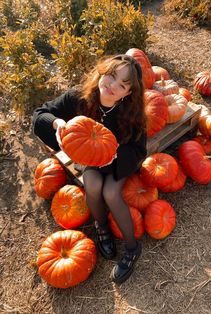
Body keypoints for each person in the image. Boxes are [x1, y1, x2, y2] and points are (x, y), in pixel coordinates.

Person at [32, 54, 147, 284]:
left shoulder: (132, 113)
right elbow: (39, 114)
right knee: (93, 184)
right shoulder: (79, 98)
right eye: (111, 76)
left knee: (111, 193)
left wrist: (114, 156)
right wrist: (57, 123)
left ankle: (132, 248)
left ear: (128, 93)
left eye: (122, 84)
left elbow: (138, 151)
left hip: (119, 162)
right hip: (93, 161)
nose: (112, 85)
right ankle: (102, 227)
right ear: (102, 71)